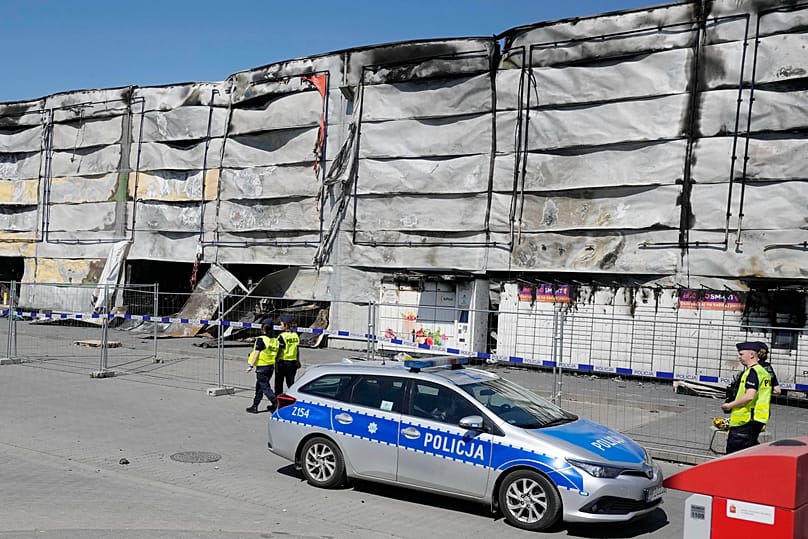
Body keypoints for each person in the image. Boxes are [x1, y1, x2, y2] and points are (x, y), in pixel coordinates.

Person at [721, 341, 773, 454]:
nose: (738, 357)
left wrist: (729, 405)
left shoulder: (753, 372)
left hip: (745, 420)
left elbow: (749, 396)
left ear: (751, 355)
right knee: (749, 453)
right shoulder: (763, 372)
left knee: (734, 456)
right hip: (757, 419)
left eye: (741, 354)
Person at [245, 319, 279, 414]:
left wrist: (251, 365)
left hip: (262, 367)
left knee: (265, 387)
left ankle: (277, 403)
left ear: (263, 329)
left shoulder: (261, 340)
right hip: (270, 367)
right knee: (259, 386)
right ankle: (255, 405)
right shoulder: (274, 340)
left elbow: (257, 353)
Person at [274, 315, 301, 395]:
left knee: (279, 383)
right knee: (291, 383)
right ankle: (294, 399)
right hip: (293, 363)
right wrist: (298, 361)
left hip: (283, 362)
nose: (280, 326)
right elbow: (297, 349)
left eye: (281, 324)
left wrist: (275, 360)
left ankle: (277, 403)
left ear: (286, 325)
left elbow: (280, 350)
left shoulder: (282, 336)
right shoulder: (295, 335)